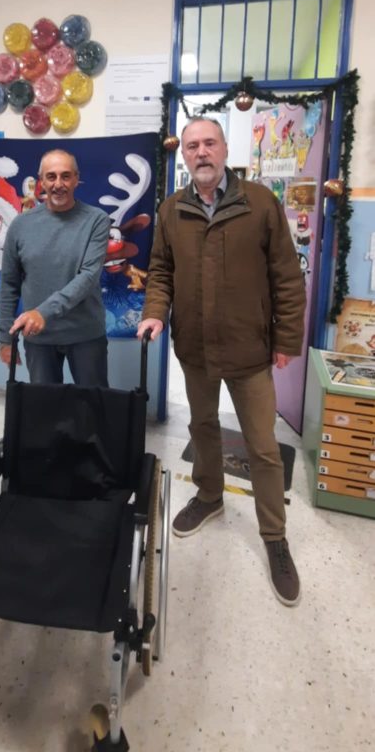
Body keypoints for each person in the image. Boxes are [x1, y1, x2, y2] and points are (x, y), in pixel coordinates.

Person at [137, 117, 306, 606]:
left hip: (249, 348)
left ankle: (274, 536)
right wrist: (154, 312)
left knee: (263, 447)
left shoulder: (260, 203)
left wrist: (286, 338)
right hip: (195, 347)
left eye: (209, 143)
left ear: (225, 148)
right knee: (203, 427)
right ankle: (209, 496)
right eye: (192, 146)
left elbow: (287, 276)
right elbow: (161, 271)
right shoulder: (172, 209)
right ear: (184, 155)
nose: (201, 152)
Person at [0, 149, 110, 386]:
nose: (58, 184)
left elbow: (88, 277)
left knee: (93, 404)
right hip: (39, 338)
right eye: (51, 177)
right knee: (44, 405)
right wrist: (5, 339)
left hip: (85, 334)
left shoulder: (96, 220)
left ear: (77, 179)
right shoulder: (21, 224)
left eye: (66, 176)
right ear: (41, 181)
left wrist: (43, 312)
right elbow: (8, 283)